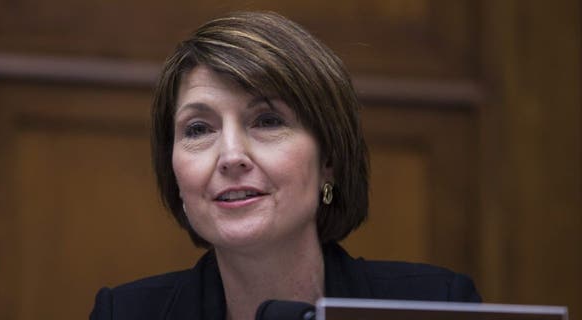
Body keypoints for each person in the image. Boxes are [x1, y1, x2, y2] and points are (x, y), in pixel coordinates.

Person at [90, 11, 480, 320]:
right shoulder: (125, 313)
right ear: (174, 174)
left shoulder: (435, 306)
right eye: (198, 128)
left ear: (329, 160)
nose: (230, 156)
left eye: (267, 121)